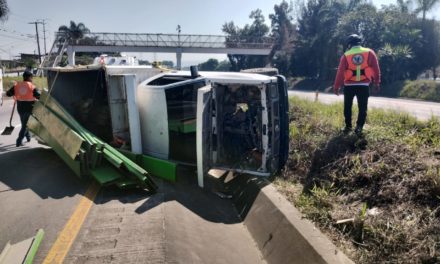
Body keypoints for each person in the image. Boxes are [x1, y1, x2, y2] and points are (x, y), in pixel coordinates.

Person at [333, 34, 381, 135]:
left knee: (347, 106)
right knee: (363, 107)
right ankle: (359, 127)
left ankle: (348, 127)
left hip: (349, 86)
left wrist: (336, 86)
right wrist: (377, 82)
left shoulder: (346, 55)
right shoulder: (369, 52)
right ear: (360, 42)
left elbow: (340, 72)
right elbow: (376, 69)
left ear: (349, 44)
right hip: (364, 85)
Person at [6, 71, 40, 146]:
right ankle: (19, 141)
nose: (32, 79)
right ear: (29, 77)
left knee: (24, 123)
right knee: (26, 125)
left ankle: (28, 137)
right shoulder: (32, 86)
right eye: (32, 77)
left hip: (20, 107)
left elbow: (8, 94)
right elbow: (38, 96)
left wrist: (13, 92)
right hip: (29, 107)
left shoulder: (17, 85)